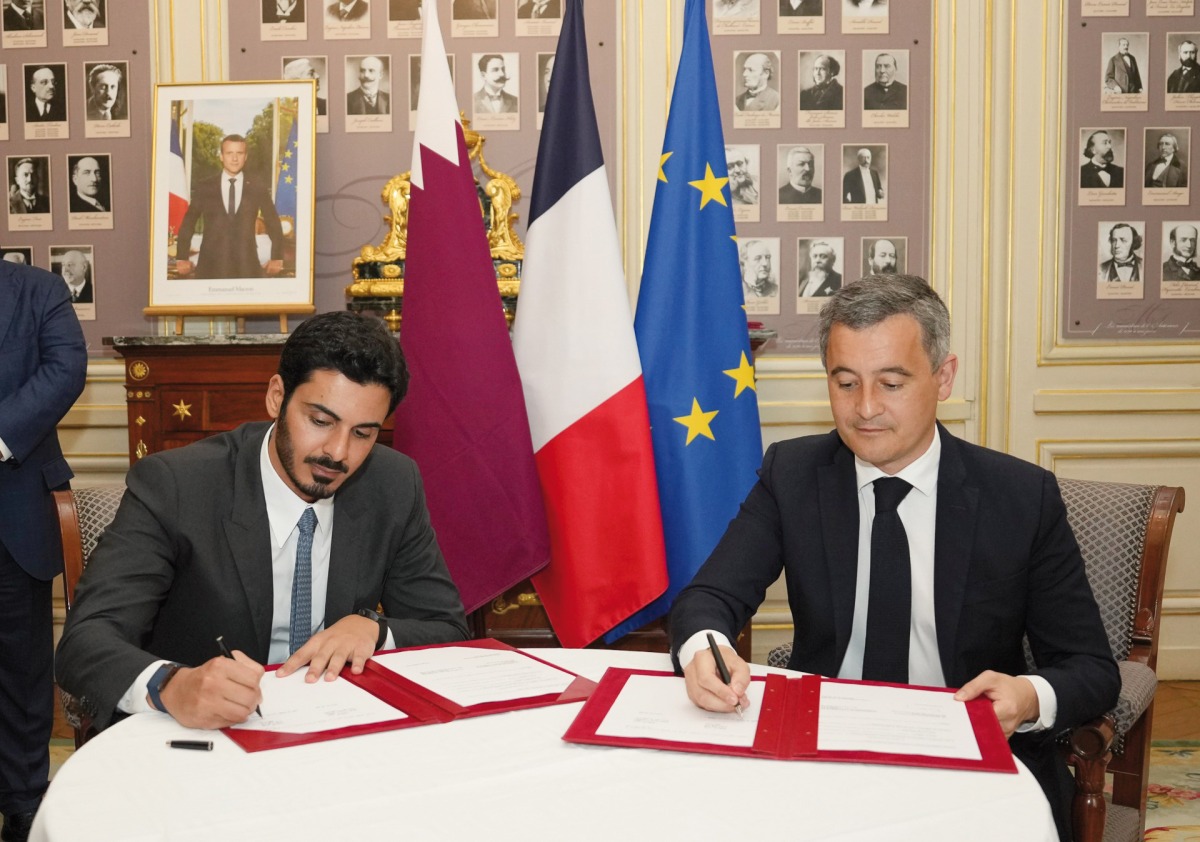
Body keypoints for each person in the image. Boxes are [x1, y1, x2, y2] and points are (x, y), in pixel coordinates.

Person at [671, 274, 1118, 842]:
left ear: (943, 377)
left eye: (891, 383)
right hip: (820, 757)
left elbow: (1090, 668)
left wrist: (1028, 697)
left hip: (968, 761)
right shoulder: (792, 475)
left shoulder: (1020, 497)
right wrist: (703, 650)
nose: (865, 408)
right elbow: (709, 598)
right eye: (845, 383)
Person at [55, 311, 470, 735]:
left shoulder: (393, 483)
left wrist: (374, 630)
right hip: (199, 734)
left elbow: (448, 628)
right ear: (276, 397)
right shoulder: (177, 485)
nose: (338, 452)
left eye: (363, 433)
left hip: (333, 731)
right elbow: (85, 642)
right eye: (320, 421)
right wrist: (171, 685)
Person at [0, 260, 87, 842]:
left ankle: (23, 803)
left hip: (12, 511)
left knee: (21, 671)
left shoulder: (38, 289)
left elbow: (66, 367)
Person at [175, 134, 285, 279]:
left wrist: (277, 257)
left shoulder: (257, 186)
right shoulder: (205, 186)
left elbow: (273, 221)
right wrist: (182, 257)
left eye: (239, 153)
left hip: (247, 267)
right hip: (209, 267)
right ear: (221, 156)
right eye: (229, 153)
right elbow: (189, 222)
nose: (234, 158)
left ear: (245, 157)